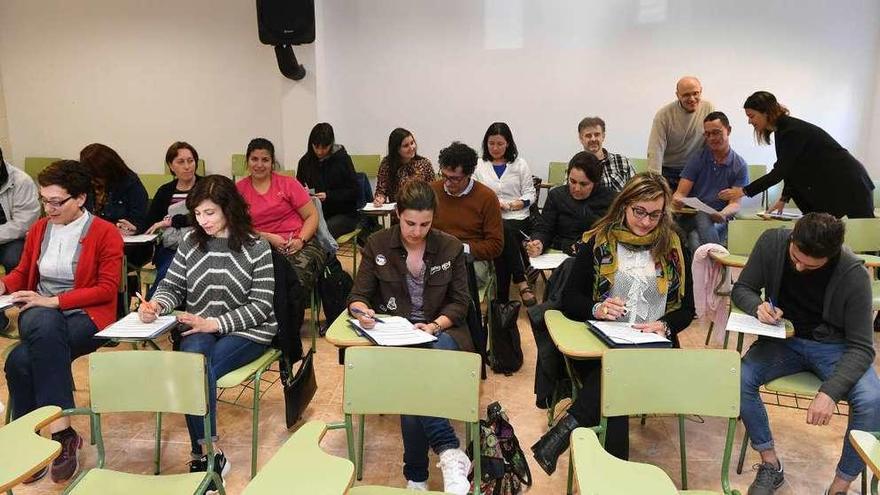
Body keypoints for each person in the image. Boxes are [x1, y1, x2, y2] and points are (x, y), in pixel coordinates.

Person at [530, 172, 694, 474]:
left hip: (654, 346)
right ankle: (614, 476)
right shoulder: (600, 239)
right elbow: (570, 299)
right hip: (602, 345)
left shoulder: (673, 245)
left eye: (655, 215)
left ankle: (563, 436)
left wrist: (666, 326)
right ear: (624, 205)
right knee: (616, 381)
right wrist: (597, 308)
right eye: (639, 212)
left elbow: (687, 309)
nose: (645, 222)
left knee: (616, 383)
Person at [139, 175, 277, 486]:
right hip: (200, 325)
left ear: (229, 209)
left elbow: (261, 306)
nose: (203, 221)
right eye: (198, 214)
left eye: (210, 213)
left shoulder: (257, 246)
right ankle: (209, 454)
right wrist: (157, 305)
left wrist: (214, 323)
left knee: (200, 369)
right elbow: (173, 285)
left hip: (249, 329)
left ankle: (205, 458)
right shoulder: (190, 242)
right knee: (194, 365)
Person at [732, 213, 880, 495]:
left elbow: (862, 347)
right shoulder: (773, 242)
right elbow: (743, 288)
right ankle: (770, 464)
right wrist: (757, 307)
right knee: (737, 376)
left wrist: (830, 392)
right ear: (793, 237)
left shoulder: (854, 274)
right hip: (783, 342)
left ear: (832, 256)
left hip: (834, 348)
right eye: (795, 257)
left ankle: (839, 486)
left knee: (872, 399)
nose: (798, 267)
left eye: (810, 265)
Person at [347, 180, 472, 494]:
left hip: (442, 332)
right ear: (396, 214)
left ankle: (416, 477)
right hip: (397, 335)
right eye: (410, 223)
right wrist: (363, 312)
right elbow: (358, 296)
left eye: (425, 224)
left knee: (414, 375)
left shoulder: (450, 247)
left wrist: (434, 326)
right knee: (414, 375)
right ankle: (449, 452)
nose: (417, 231)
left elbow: (460, 302)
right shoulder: (376, 244)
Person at [2, 160, 123, 484]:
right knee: (43, 323)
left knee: (20, 360)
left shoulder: (104, 232)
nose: (48, 208)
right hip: (41, 314)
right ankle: (63, 431)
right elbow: (22, 272)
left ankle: (31, 440)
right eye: (45, 200)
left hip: (88, 315)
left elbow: (107, 289)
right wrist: (4, 285)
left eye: (57, 202)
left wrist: (54, 300)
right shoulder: (39, 229)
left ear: (80, 198)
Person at [718, 91, 874, 219]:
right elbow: (791, 169)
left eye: (751, 116)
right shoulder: (782, 131)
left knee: (861, 240)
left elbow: (779, 173)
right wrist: (784, 198)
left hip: (850, 184)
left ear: (766, 113)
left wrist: (743, 191)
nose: (749, 122)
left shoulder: (792, 131)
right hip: (837, 184)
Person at [236, 138, 326, 302]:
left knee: (291, 280)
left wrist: (300, 240)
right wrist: (267, 237)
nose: (259, 164)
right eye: (254, 159)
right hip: (257, 245)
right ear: (247, 161)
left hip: (298, 244)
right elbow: (236, 226)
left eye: (265, 160)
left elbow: (312, 216)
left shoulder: (288, 184)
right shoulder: (239, 190)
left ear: (272, 162)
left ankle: (288, 323)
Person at [473, 122, 537, 306]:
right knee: (502, 231)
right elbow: (475, 193)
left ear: (508, 143)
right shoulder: (479, 165)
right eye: (491, 143)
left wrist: (519, 203)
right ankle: (521, 282)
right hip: (489, 217)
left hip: (518, 216)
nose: (495, 148)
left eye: (499, 144)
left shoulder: (519, 164)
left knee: (502, 236)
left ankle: (501, 298)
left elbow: (530, 193)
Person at [673, 111, 749, 253]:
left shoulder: (739, 165)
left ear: (729, 130)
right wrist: (677, 200)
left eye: (716, 132)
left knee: (695, 238)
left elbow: (735, 204)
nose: (712, 138)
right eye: (707, 134)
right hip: (692, 216)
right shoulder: (698, 158)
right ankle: (720, 263)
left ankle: (706, 271)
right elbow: (680, 193)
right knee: (701, 214)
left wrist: (723, 214)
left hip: (719, 219)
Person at [430, 142, 503, 287]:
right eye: (444, 175)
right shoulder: (431, 191)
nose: (448, 182)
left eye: (455, 178)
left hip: (470, 259)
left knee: (455, 280)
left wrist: (461, 248)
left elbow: (495, 245)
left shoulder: (487, 197)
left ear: (469, 174)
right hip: (434, 255)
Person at [526, 151, 615, 258]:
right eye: (572, 181)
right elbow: (544, 229)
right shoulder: (556, 196)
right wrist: (539, 243)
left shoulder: (611, 199)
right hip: (561, 254)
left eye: (584, 184)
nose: (576, 188)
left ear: (596, 183)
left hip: (595, 257)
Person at [144, 141, 203, 297]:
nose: (187, 166)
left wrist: (173, 221)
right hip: (171, 247)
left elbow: (209, 217)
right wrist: (133, 228)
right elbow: (151, 222)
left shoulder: (206, 186)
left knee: (173, 269)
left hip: (201, 244)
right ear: (171, 165)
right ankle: (154, 307)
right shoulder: (165, 191)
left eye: (190, 161)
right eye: (180, 162)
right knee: (169, 269)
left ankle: (154, 304)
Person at [647, 76, 715, 190]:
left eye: (696, 93)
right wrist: (655, 185)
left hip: (695, 170)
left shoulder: (708, 108)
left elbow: (711, 142)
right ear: (678, 95)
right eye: (686, 95)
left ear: (701, 91)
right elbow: (655, 150)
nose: (692, 99)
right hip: (669, 171)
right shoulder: (663, 115)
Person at [296, 122, 359, 238]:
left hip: (344, 214)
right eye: (316, 147)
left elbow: (354, 191)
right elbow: (297, 190)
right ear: (311, 144)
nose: (320, 152)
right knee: (297, 229)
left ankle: (326, 256)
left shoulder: (342, 159)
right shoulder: (305, 162)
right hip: (314, 213)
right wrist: (304, 194)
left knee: (321, 232)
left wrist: (329, 196)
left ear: (331, 144)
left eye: (324, 148)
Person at [0, 146, 40, 271]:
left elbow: (23, 224)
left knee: (14, 258)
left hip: (12, 239)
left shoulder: (21, 181)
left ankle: (17, 289)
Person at [374, 128, 435, 206]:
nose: (411, 148)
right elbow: (381, 190)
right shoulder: (387, 164)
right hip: (398, 211)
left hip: (421, 209)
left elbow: (433, 189)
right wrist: (380, 199)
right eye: (406, 146)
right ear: (396, 149)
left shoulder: (424, 163)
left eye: (412, 143)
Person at [578, 116, 635, 192]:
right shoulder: (575, 166)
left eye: (597, 134)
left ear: (603, 136)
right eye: (588, 136)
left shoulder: (622, 161)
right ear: (581, 138)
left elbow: (636, 191)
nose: (593, 139)